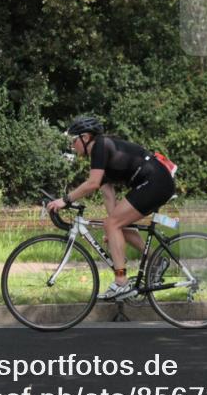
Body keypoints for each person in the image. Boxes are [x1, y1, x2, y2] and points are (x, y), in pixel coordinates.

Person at [46, 116, 176, 300]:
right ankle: (157, 261)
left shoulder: (100, 146)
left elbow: (92, 184)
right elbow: (107, 193)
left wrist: (65, 200)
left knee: (113, 224)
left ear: (86, 137)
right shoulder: (100, 154)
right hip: (155, 181)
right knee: (115, 223)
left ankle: (121, 282)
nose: (72, 145)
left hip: (155, 181)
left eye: (74, 140)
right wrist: (113, 228)